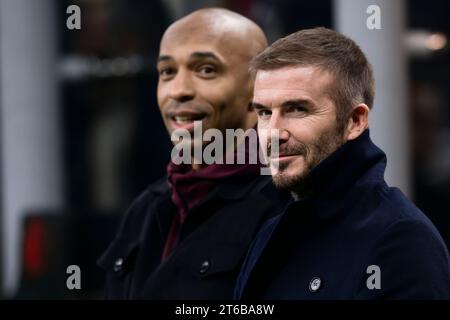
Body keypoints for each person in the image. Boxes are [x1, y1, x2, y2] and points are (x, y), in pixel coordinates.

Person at [235, 27, 450, 299]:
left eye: (297, 109)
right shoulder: (271, 231)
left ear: (355, 121)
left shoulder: (400, 239)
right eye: (264, 113)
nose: (273, 132)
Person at [97, 8, 288, 299]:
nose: (179, 91)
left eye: (206, 70)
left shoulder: (288, 206)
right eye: (167, 72)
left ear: (258, 91)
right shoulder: (146, 209)